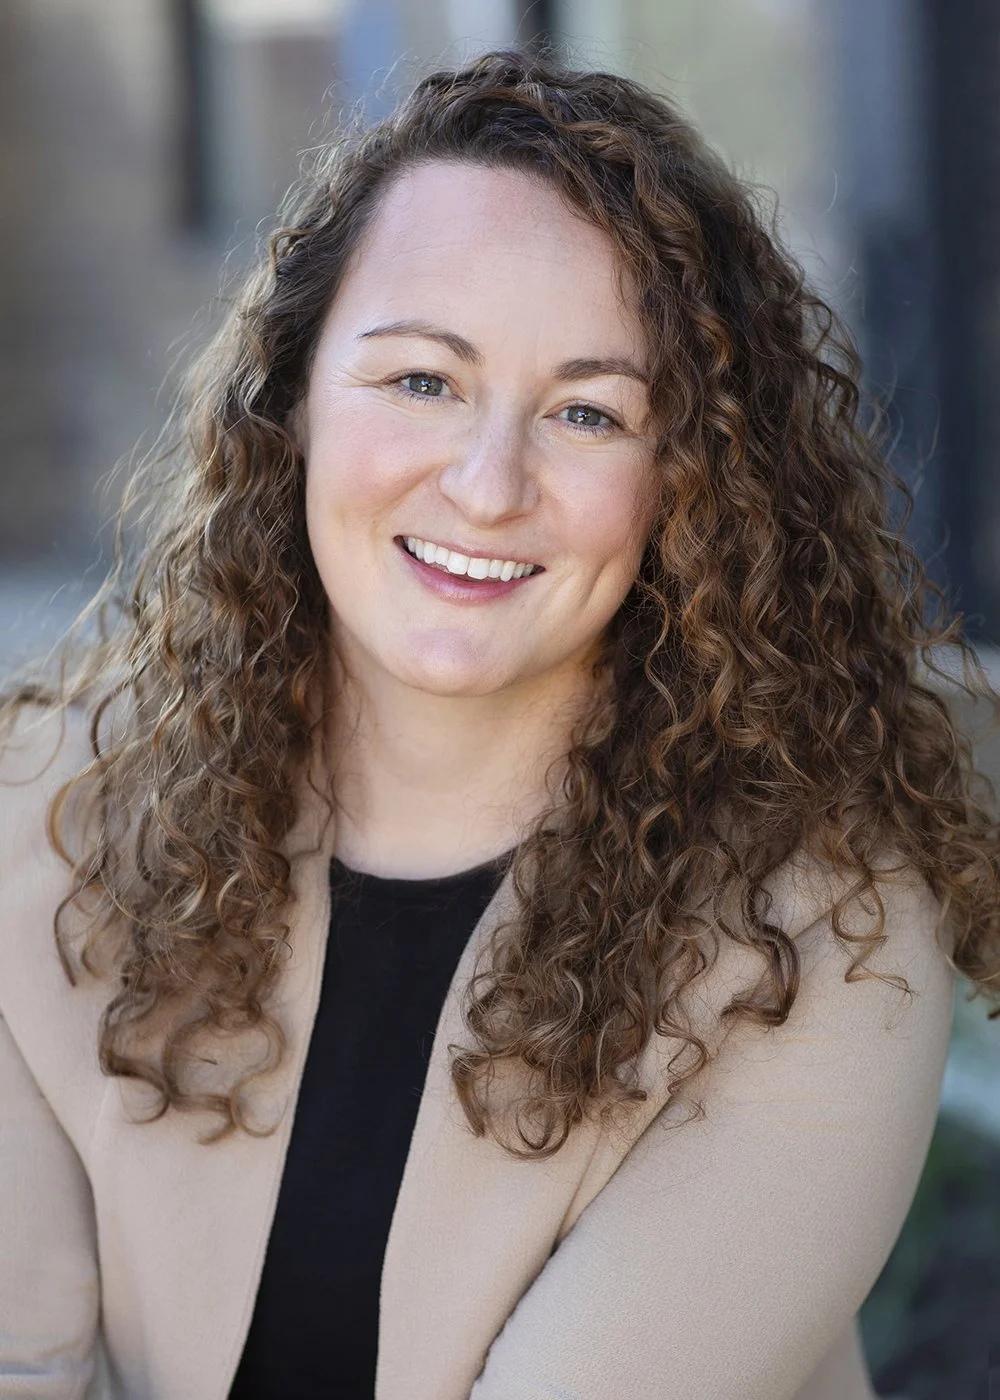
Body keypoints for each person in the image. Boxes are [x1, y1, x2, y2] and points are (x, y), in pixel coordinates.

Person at [0, 45, 997, 1400]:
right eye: (423, 380)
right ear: (291, 398)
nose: (486, 484)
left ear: (690, 486)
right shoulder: (39, 820)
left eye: (588, 412)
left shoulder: (820, 936)